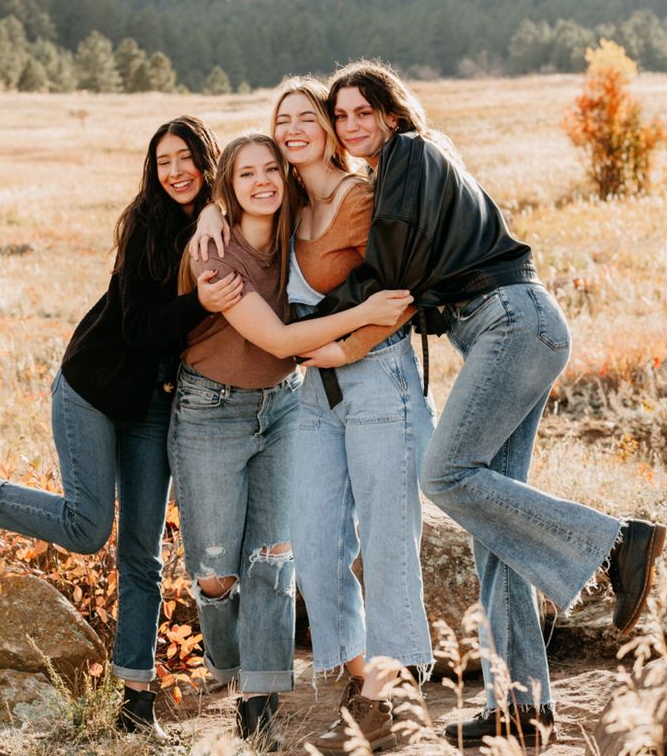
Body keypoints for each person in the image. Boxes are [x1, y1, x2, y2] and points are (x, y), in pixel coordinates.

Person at [302, 60, 666, 749]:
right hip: (507, 328)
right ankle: (522, 707)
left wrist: (317, 326)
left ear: (391, 113)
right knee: (491, 526)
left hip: (509, 324)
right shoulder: (409, 165)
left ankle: (615, 543)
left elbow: (395, 264)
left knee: (444, 475)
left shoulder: (409, 154)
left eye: (362, 112)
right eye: (341, 116)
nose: (351, 127)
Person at [0, 116, 243, 740]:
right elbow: (137, 328)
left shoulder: (220, 224)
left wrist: (213, 215)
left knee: (143, 557)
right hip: (94, 390)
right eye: (163, 162)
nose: (176, 171)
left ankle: (135, 706)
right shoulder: (143, 226)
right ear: (152, 172)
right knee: (88, 525)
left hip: (154, 406)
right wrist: (198, 305)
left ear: (208, 164)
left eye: (187, 159)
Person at [172, 132, 413, 751]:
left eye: (270, 171)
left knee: (274, 562)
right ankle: (229, 670)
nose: (262, 182)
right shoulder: (213, 249)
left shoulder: (292, 238)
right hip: (210, 412)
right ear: (229, 185)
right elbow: (281, 340)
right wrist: (366, 314)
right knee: (217, 574)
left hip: (282, 408)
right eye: (245, 173)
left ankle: (260, 701)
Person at [270, 77, 436, 754]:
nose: (296, 128)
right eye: (284, 119)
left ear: (333, 130)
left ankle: (386, 696)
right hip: (316, 392)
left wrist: (340, 348)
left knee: (389, 540)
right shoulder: (285, 208)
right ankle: (360, 669)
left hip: (376, 379)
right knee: (312, 542)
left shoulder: (360, 197)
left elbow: (400, 294)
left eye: (309, 117)